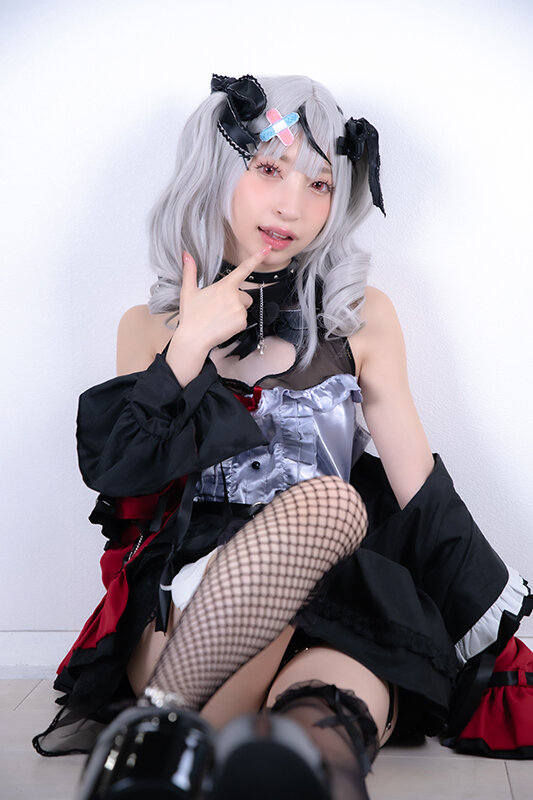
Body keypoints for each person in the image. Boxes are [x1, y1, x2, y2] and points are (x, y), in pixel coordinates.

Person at [33, 74, 531, 799]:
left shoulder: (363, 318)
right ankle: (160, 728)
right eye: (269, 169)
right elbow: (125, 481)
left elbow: (421, 495)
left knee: (328, 717)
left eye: (320, 184)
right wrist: (188, 347)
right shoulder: (148, 327)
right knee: (331, 502)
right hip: (198, 605)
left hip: (339, 602)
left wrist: (498, 646)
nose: (292, 207)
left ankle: (178, 750)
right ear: (216, 172)